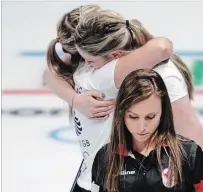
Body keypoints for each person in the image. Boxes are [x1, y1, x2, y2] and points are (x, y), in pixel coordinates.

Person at [45, 5, 175, 192]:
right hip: (113, 180)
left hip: (88, 177)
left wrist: (74, 99)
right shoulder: (106, 74)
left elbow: (49, 73)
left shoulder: (79, 70)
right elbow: (162, 47)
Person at [91, 69, 203, 192]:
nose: (141, 127)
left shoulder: (189, 154)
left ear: (163, 112)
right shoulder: (105, 157)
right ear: (121, 113)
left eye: (150, 117)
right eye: (133, 117)